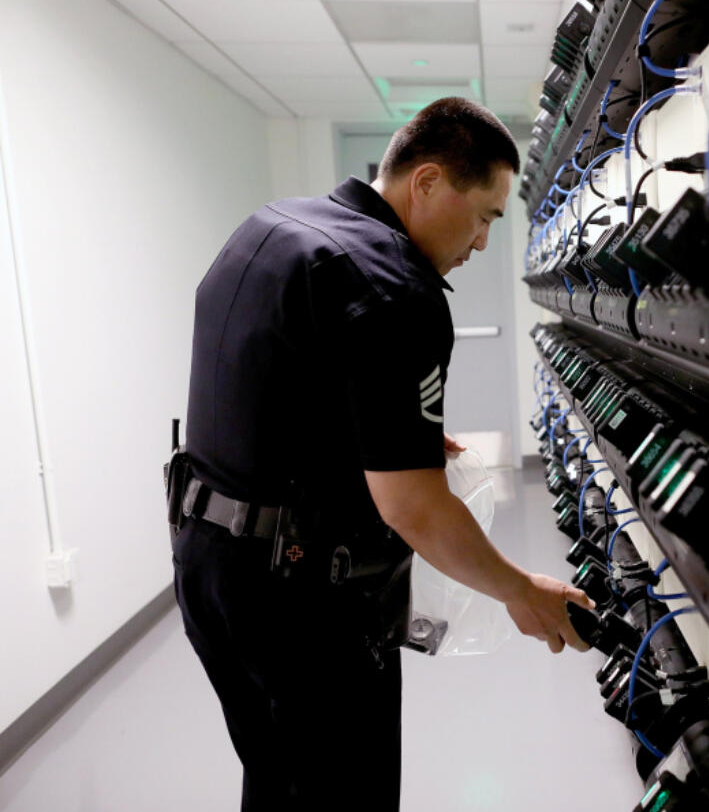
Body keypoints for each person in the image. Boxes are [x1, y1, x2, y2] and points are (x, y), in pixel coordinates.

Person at [170, 96, 595, 811]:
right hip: (300, 602)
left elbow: (277, 384)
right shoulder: (395, 286)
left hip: (209, 569)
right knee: (343, 790)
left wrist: (392, 430)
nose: (484, 241)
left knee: (275, 774)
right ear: (426, 182)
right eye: (486, 214)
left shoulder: (271, 228)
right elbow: (415, 508)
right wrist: (521, 590)